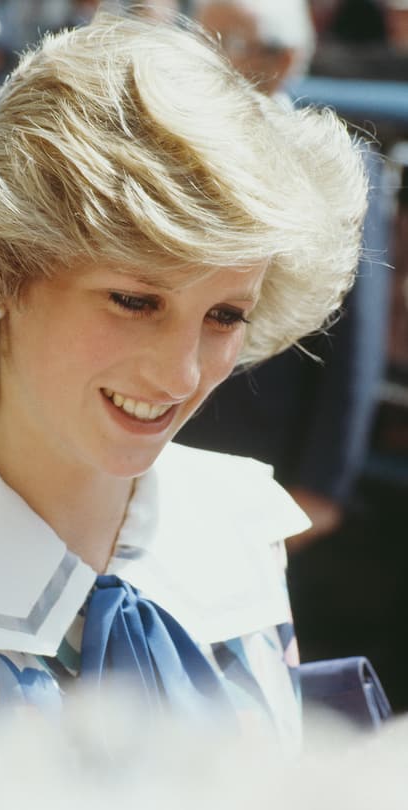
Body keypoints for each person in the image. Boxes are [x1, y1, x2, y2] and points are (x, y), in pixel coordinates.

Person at [0, 12, 366, 761]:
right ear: (0, 274)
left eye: (225, 315)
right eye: (135, 301)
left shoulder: (237, 539)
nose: (182, 374)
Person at [182, 0, 390, 549]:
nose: (202, 58)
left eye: (223, 41)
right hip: (159, 435)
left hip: (258, 458)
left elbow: (355, 339)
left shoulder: (333, 165)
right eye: (197, 39)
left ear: (285, 59)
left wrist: (322, 488)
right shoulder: (169, 139)